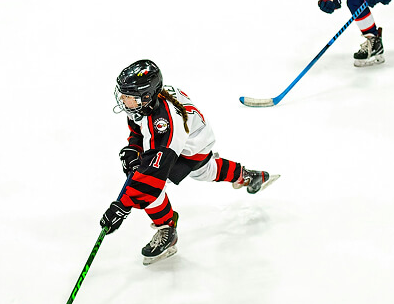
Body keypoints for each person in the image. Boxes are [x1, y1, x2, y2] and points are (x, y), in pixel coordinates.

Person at [100, 59, 278, 265]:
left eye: (128, 96)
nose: (122, 99)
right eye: (123, 94)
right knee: (207, 171)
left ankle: (167, 230)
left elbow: (150, 178)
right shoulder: (147, 103)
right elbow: (139, 125)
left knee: (152, 189)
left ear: (146, 96)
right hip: (193, 139)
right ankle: (247, 175)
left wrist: (122, 206)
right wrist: (134, 147)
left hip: (189, 148)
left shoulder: (163, 126)